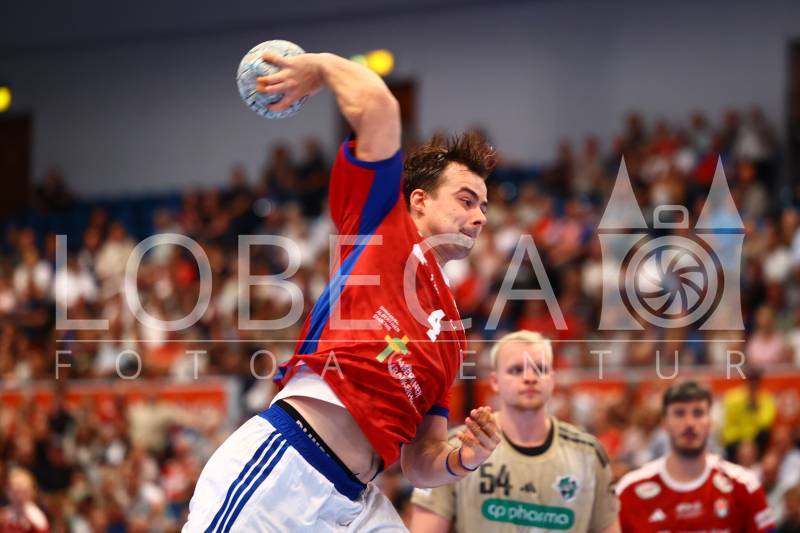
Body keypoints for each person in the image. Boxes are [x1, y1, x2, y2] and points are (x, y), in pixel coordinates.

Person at [184, 49, 501, 531]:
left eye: (483, 206)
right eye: (466, 199)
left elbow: (420, 462)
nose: (479, 217)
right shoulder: (381, 225)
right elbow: (379, 108)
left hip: (355, 502)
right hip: (286, 467)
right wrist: (319, 68)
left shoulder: (453, 336)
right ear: (419, 200)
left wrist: (465, 458)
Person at [409, 330, 621, 532]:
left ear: (552, 379)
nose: (530, 377)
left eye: (540, 369)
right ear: (495, 381)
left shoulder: (588, 454)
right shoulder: (457, 449)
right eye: (516, 370)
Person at [617, 381, 776, 532]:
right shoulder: (630, 490)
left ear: (710, 422)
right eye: (679, 413)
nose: (689, 423)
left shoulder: (744, 486)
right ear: (664, 423)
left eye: (698, 413)